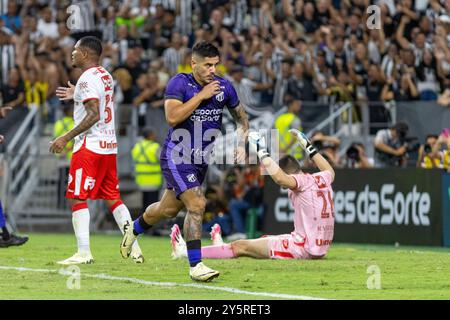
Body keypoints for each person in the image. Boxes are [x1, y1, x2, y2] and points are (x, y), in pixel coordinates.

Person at [120, 41, 249, 282]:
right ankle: (196, 265)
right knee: (198, 204)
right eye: (207, 65)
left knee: (167, 209)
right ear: (194, 63)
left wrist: (241, 144)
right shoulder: (179, 83)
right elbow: (172, 117)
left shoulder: (224, 87)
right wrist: (201, 96)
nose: (213, 70)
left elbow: (242, 117)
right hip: (176, 155)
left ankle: (133, 229)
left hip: (200, 160)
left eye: (215, 65)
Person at [170, 129, 335, 261]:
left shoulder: (300, 182)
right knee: (262, 240)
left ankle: (185, 252)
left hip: (303, 248)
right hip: (317, 246)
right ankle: (220, 247)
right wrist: (308, 146)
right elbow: (329, 170)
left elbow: (280, 178)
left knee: (240, 247)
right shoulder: (321, 178)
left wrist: (261, 151)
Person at [50, 36, 144, 265]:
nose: (71, 53)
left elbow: (94, 114)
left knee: (76, 196)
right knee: (113, 198)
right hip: (108, 147)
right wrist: (77, 95)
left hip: (89, 147)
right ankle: (135, 248)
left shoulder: (85, 79)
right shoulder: (105, 75)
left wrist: (66, 137)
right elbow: (99, 102)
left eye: (74, 50)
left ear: (84, 54)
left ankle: (83, 253)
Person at [131, 127, 162, 212]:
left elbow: (134, 160)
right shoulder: (155, 147)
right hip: (153, 180)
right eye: (153, 134)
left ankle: (144, 218)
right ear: (150, 136)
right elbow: (163, 160)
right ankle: (153, 220)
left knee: (145, 200)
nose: (155, 136)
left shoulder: (137, 146)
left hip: (141, 180)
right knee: (153, 203)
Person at [274, 95, 303, 161]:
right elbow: (295, 137)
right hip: (294, 155)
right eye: (297, 104)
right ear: (290, 105)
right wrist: (285, 150)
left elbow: (275, 136)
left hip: (280, 154)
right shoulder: (295, 119)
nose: (299, 106)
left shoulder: (279, 118)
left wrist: (280, 151)